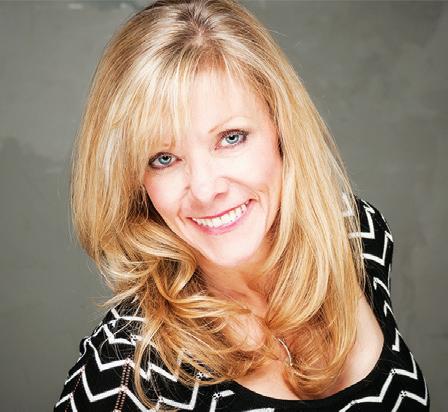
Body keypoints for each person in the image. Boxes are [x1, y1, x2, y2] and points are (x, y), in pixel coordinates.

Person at [53, 0, 429, 411]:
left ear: (280, 126)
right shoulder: (126, 372)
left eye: (230, 137)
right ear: (136, 181)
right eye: (163, 158)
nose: (205, 189)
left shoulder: (356, 232)